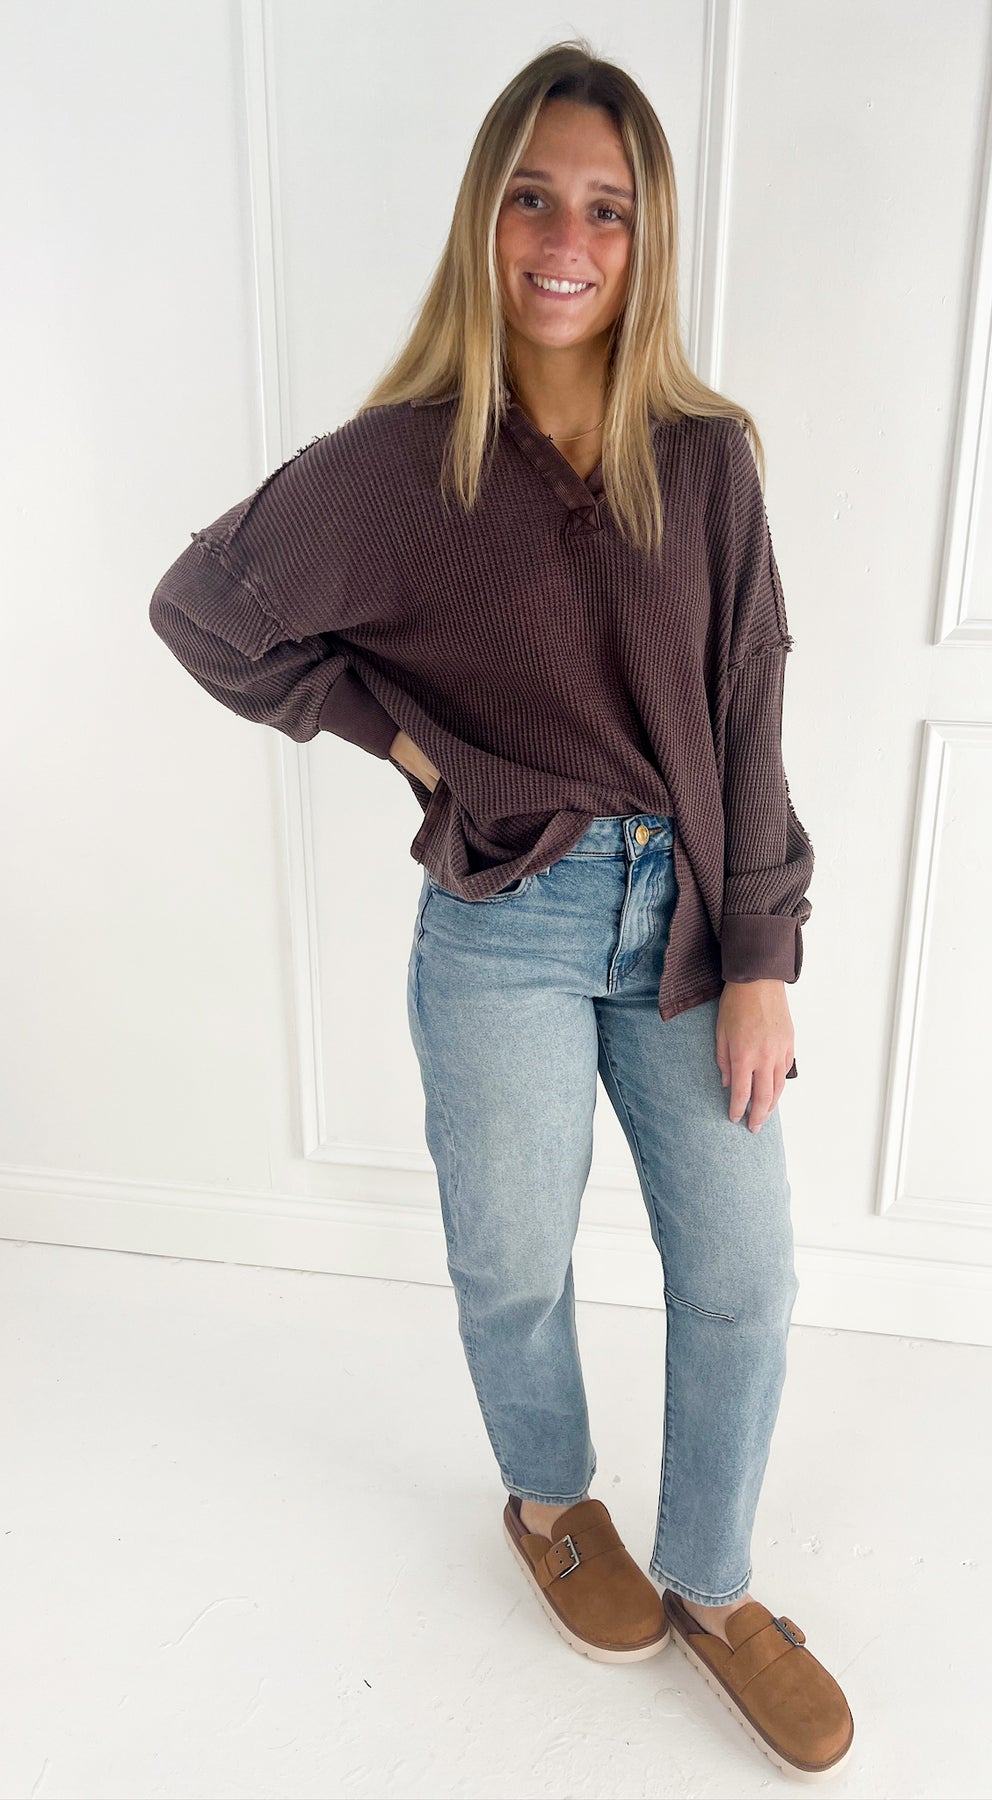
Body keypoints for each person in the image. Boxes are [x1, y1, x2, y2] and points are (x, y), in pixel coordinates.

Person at [148, 35, 852, 1782]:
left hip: (689, 921)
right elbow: (207, 611)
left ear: (646, 239)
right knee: (512, 1260)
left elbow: (750, 708)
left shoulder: (707, 458)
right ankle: (548, 1500)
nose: (566, 239)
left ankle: (714, 1583)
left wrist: (764, 956)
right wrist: (415, 751)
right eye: (535, 196)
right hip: (506, 922)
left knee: (744, 1271)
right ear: (486, 216)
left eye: (607, 209)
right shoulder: (400, 466)